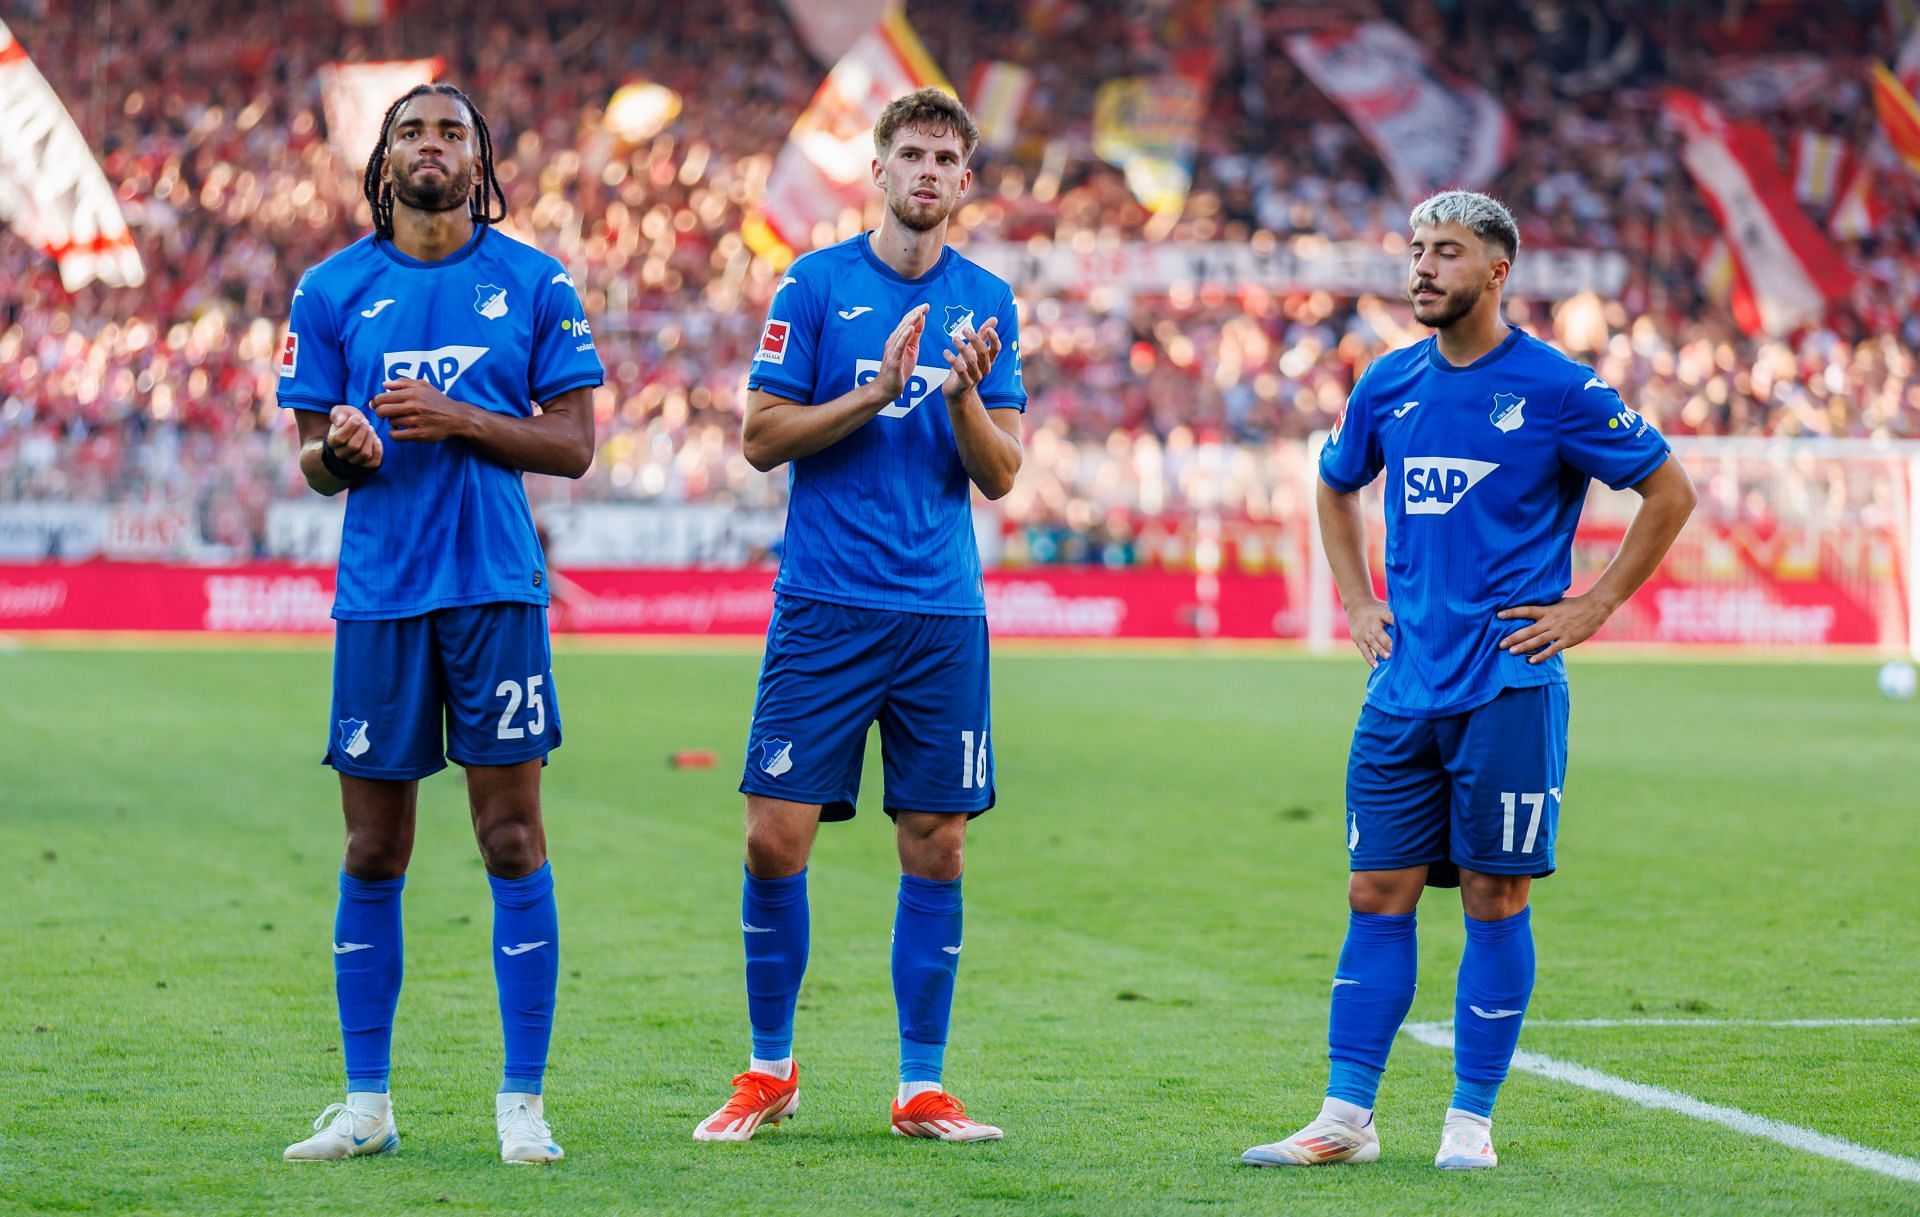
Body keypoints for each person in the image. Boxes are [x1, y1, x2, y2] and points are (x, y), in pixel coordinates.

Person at [1242, 191, 1695, 1170]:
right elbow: (1333, 482)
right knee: (1375, 889)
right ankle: (1345, 1117)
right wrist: (1359, 602)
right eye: (1415, 250)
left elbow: (1669, 488)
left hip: (1508, 688)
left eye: (1445, 252)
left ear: (1496, 271)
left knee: (1494, 894)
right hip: (1402, 688)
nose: (1422, 267)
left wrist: (1595, 603)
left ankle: (1469, 1121)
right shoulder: (1387, 382)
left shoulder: (1557, 387)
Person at [275, 83, 602, 1165]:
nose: (431, 147)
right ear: (383, 159)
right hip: (379, 596)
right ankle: (367, 1103)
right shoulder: (330, 289)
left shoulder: (535, 280)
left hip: (497, 590)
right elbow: (314, 465)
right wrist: (345, 454)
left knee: (512, 837)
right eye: (411, 130)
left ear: (481, 159)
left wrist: (456, 416)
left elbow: (572, 446)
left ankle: (522, 1101)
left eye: (451, 132)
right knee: (374, 845)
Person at [693, 88, 1025, 1144]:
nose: (928, 171)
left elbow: (1004, 473)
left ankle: (921, 1085)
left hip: (939, 614)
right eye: (912, 154)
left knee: (937, 845)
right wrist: (874, 392)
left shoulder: (990, 303)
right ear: (878, 170)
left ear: (964, 182)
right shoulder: (817, 284)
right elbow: (759, 434)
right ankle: (769, 1068)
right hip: (827, 605)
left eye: (946, 158)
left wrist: (961, 395)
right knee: (772, 838)